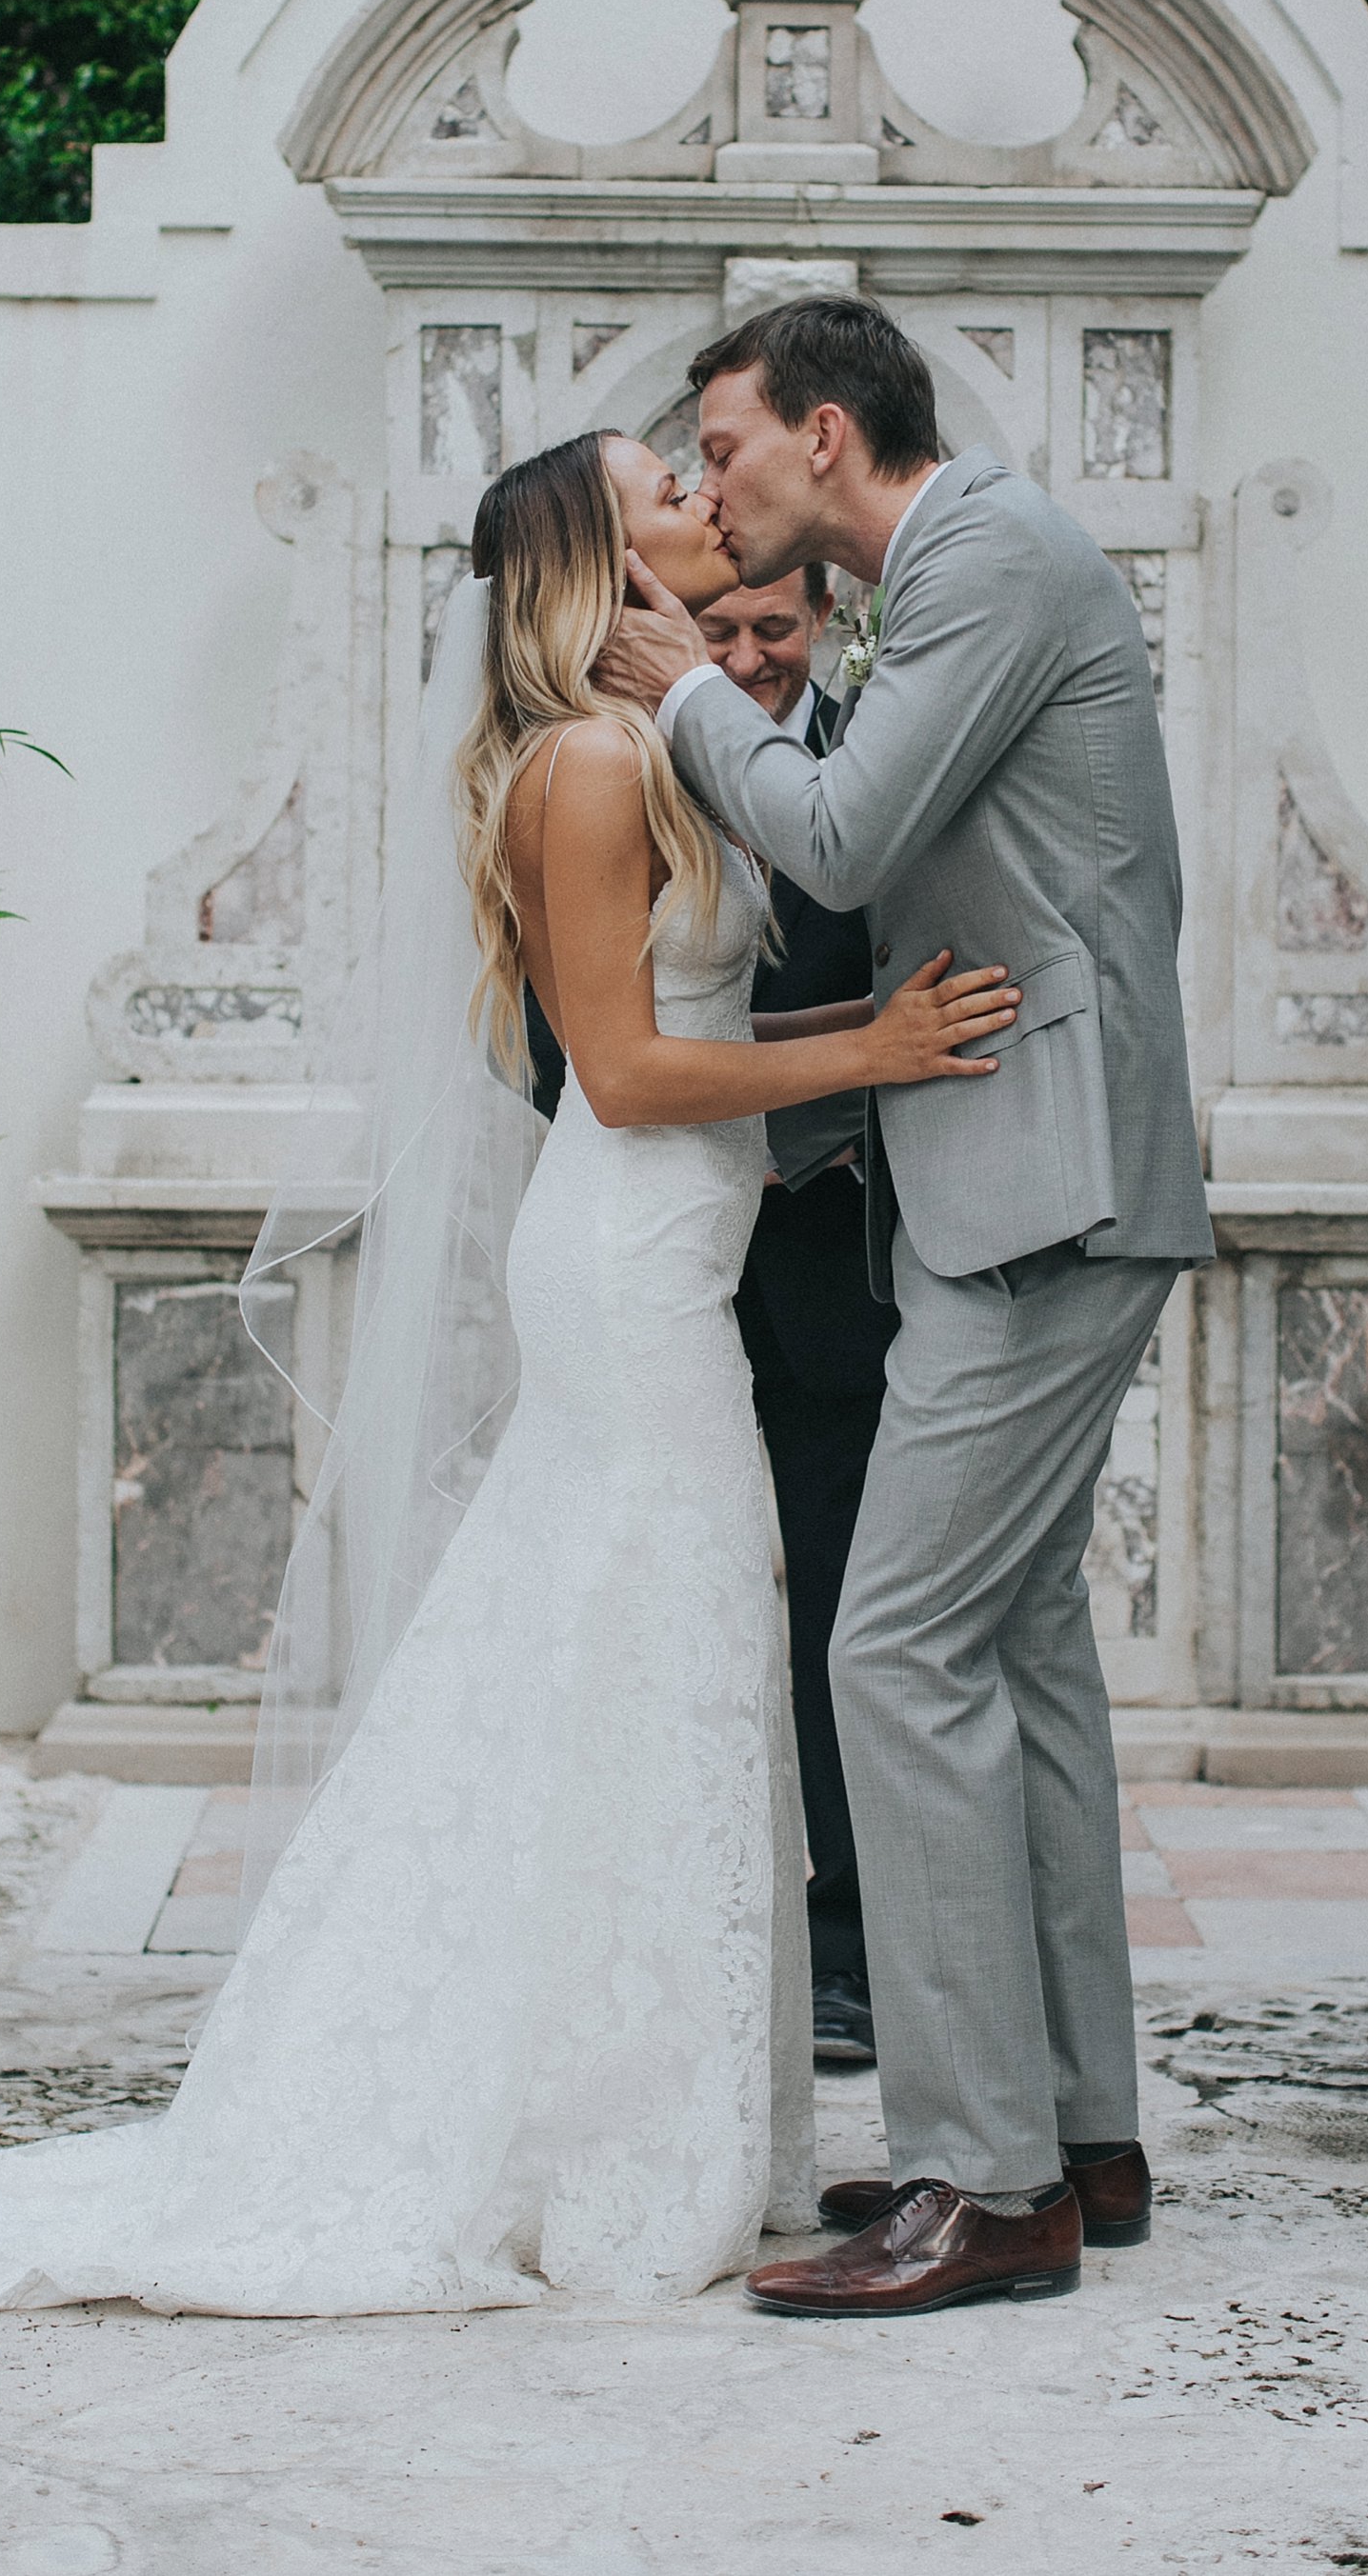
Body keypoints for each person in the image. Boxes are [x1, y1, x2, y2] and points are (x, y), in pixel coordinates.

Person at [0, 429, 1018, 2317]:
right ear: (588, 553)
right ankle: (596, 2142)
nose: (698, 499)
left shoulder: (662, 736)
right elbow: (624, 1077)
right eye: (660, 487)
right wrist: (865, 1054)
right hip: (625, 1271)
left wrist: (860, 1029)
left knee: (650, 1672)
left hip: (664, 1261)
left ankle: (644, 2120)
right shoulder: (578, 764)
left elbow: (694, 1013)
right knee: (656, 1664)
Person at [602, 297, 1212, 2321]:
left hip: (1049, 1181)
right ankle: (1071, 2136)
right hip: (1002, 1182)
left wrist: (688, 692)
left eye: (722, 447)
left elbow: (846, 837)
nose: (705, 488)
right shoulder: (927, 584)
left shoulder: (989, 553)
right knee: (1014, 1655)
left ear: (829, 431)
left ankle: (979, 2178)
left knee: (893, 1646)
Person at [522, 557, 895, 2069]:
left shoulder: (863, 768)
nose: (743, 654)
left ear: (820, 628)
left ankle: (840, 1946)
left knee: (827, 1614)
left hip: (815, 1265)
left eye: (771, 629)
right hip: (658, 1250)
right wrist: (863, 1052)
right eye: (717, 628)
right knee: (661, 1611)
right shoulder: (616, 758)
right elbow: (589, 1048)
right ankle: (638, 1960)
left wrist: (873, 1054)